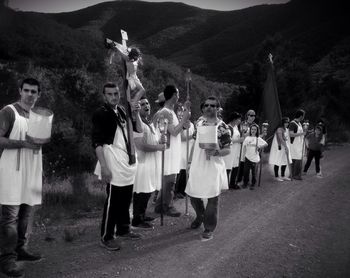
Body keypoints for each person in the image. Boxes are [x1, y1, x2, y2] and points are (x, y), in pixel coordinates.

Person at [0, 78, 44, 277]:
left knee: (26, 213)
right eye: (26, 90)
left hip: (31, 169)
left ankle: (20, 249)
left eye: (34, 91)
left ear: (38, 94)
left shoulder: (37, 115)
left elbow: (40, 142)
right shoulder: (9, 111)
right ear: (20, 91)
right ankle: (6, 260)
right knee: (10, 218)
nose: (30, 94)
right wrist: (23, 144)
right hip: (10, 170)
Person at [91, 82, 143, 251]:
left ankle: (123, 228)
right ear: (104, 96)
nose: (114, 97)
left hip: (126, 160)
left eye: (116, 93)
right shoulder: (101, 113)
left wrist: (136, 114)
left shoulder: (121, 110)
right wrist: (104, 167)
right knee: (113, 200)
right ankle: (106, 236)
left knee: (126, 198)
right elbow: (97, 143)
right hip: (112, 160)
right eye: (109, 94)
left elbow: (138, 130)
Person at [185, 96, 231, 241]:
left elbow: (228, 150)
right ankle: (200, 216)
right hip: (197, 165)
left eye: (212, 105)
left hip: (213, 166)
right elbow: (194, 142)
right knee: (193, 195)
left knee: (212, 198)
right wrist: (190, 161)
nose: (208, 108)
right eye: (206, 105)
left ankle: (209, 227)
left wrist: (217, 152)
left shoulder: (223, 127)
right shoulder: (199, 122)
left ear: (218, 108)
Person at [153, 85, 191, 217]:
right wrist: (185, 118)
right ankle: (167, 206)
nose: (179, 97)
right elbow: (173, 132)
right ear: (174, 95)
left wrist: (183, 125)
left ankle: (159, 206)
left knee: (169, 179)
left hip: (173, 150)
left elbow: (177, 131)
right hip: (167, 151)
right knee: (169, 180)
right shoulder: (165, 112)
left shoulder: (171, 111)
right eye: (178, 94)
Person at [132, 97, 166, 229]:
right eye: (142, 104)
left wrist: (160, 140)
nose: (146, 105)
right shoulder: (136, 123)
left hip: (152, 162)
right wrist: (158, 147)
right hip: (142, 162)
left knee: (147, 191)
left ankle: (142, 214)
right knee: (141, 191)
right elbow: (140, 145)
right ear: (137, 108)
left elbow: (153, 141)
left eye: (147, 103)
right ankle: (137, 219)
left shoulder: (149, 123)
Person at [175, 103, 194, 199]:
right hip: (181, 151)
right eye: (183, 110)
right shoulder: (180, 124)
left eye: (187, 110)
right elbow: (182, 138)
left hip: (189, 151)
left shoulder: (192, 125)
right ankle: (176, 191)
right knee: (180, 172)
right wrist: (193, 136)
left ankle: (183, 190)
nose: (185, 112)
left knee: (186, 172)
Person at [242, 124, 268, 190]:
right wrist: (243, 156)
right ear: (250, 130)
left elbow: (266, 144)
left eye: (255, 129)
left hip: (255, 159)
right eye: (252, 129)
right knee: (246, 172)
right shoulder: (247, 138)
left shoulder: (258, 138)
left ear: (257, 131)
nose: (253, 130)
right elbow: (244, 147)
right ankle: (245, 183)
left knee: (254, 173)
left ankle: (253, 184)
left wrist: (259, 147)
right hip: (247, 157)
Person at [223, 112, 243, 189]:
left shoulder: (236, 128)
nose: (240, 121)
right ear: (234, 119)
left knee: (235, 166)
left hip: (236, 150)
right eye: (239, 119)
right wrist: (238, 140)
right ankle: (224, 184)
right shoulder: (228, 128)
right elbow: (227, 140)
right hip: (229, 151)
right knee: (228, 167)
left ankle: (232, 183)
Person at [269, 117, 292, 181]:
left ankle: (283, 175)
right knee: (277, 160)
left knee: (284, 161)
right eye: (285, 122)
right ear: (282, 123)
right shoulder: (279, 129)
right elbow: (281, 139)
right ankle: (276, 176)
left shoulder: (286, 129)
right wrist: (286, 146)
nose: (287, 124)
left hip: (285, 146)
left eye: (288, 122)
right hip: (279, 147)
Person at [236, 109, 256, 185]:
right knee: (241, 163)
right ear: (247, 115)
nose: (252, 117)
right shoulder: (242, 124)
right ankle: (238, 179)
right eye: (251, 115)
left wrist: (263, 135)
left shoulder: (255, 125)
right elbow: (240, 134)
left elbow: (257, 136)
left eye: (254, 115)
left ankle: (246, 180)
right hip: (241, 146)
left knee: (249, 164)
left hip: (251, 147)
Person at [289, 109, 306, 180]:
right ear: (301, 116)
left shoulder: (299, 123)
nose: (304, 117)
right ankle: (295, 175)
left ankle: (293, 174)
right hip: (294, 144)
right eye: (303, 116)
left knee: (297, 159)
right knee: (297, 159)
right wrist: (302, 133)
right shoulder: (293, 123)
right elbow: (291, 134)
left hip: (299, 143)